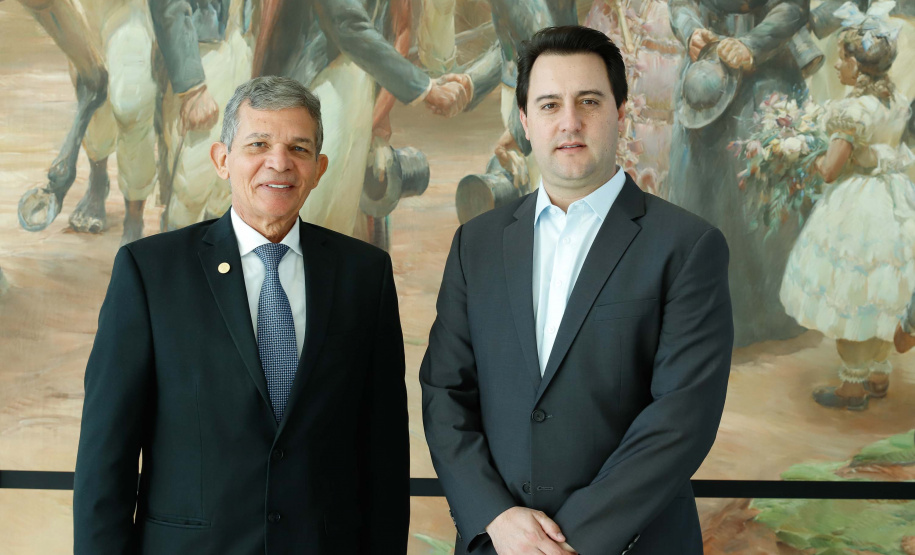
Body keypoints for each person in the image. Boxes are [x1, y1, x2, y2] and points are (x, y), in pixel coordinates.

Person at [420, 25, 733, 555]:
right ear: (524, 121)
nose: (569, 122)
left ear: (619, 110)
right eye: (548, 104)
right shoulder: (476, 244)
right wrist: (494, 516)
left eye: (588, 101)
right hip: (498, 545)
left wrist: (565, 545)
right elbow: (445, 393)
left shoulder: (688, 247)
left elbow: (680, 418)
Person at [73, 76, 409, 554]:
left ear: (319, 168)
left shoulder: (364, 276)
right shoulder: (150, 273)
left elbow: (385, 457)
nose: (280, 162)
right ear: (222, 160)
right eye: (258, 144)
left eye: (299, 148)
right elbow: (106, 460)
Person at [780, 15, 915, 410]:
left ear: (857, 65)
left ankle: (852, 388)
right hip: (896, 201)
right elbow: (899, 152)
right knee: (881, 293)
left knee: (852, 292)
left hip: (857, 205)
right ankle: (878, 372)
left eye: (841, 58)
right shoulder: (897, 102)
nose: (837, 65)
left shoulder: (853, 111)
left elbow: (830, 169)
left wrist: (805, 157)